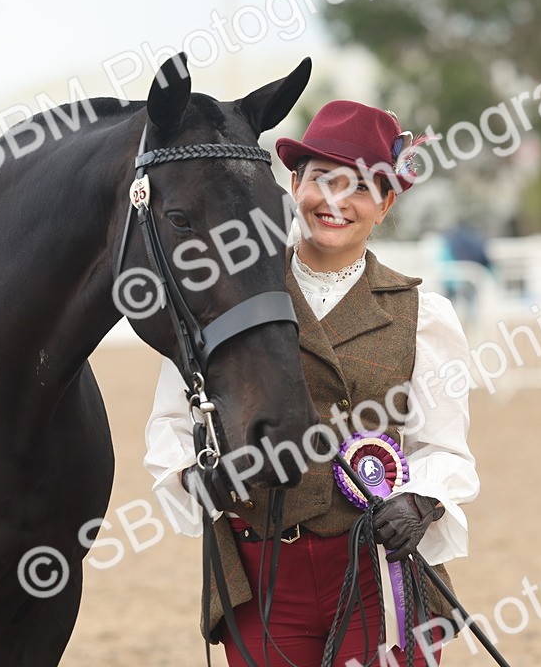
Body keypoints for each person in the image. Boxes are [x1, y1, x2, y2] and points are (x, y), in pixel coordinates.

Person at [144, 100, 479, 666]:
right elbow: (172, 425)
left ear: (386, 202)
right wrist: (202, 479)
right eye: (322, 180)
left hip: (375, 570)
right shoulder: (226, 291)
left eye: (360, 187)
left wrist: (423, 501)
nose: (335, 202)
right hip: (263, 576)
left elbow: (443, 447)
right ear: (294, 183)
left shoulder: (425, 315)